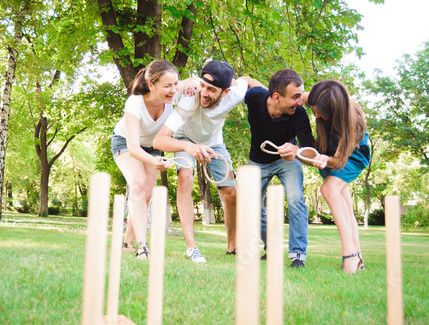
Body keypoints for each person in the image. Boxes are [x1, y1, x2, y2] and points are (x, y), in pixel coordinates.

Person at [153, 60, 263, 263]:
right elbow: (160, 139)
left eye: (211, 89)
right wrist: (189, 147)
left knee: (231, 193)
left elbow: (246, 81)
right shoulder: (188, 99)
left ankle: (233, 246)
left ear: (226, 91)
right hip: (184, 140)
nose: (204, 93)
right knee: (185, 176)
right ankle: (192, 248)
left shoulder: (235, 94)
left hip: (214, 143)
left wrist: (271, 95)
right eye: (202, 85)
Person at [111, 59, 186, 260]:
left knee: (145, 194)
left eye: (176, 84)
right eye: (167, 86)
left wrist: (193, 83)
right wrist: (154, 162)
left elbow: (195, 81)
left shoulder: (175, 95)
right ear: (151, 85)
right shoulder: (135, 103)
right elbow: (133, 147)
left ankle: (126, 242)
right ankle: (142, 247)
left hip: (152, 145)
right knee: (138, 185)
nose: (173, 90)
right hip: (125, 142)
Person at [244, 69, 315, 268]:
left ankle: (298, 254)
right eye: (295, 97)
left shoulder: (299, 113)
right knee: (250, 206)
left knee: (295, 199)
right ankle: (271, 247)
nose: (300, 102)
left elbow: (311, 151)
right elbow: (245, 79)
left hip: (287, 160)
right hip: (257, 161)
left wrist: (297, 149)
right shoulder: (255, 97)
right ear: (276, 96)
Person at [302, 79, 370, 274]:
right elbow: (291, 94)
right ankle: (359, 259)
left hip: (352, 154)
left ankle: (350, 254)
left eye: (320, 113)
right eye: (313, 109)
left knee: (329, 189)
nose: (315, 115)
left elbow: (339, 161)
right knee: (346, 209)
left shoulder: (353, 120)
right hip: (330, 149)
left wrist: (325, 159)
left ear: (335, 111)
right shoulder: (311, 98)